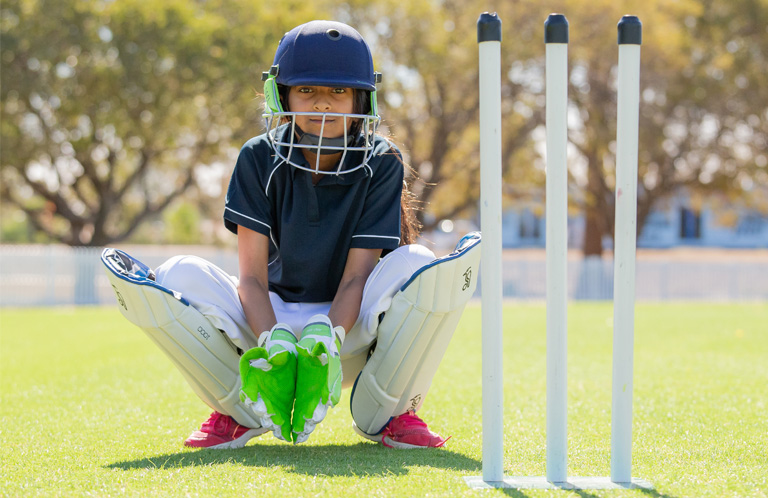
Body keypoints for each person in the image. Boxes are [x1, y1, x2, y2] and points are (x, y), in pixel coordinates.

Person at [103, 19, 481, 451]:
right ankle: (239, 411)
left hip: (348, 327)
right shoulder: (257, 156)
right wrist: (273, 342)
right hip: (270, 318)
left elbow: (358, 277)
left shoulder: (383, 161)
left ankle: (390, 413)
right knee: (176, 275)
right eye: (308, 91)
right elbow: (251, 279)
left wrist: (327, 336)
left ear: (362, 97)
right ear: (281, 96)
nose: (323, 105)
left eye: (338, 92)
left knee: (419, 264)